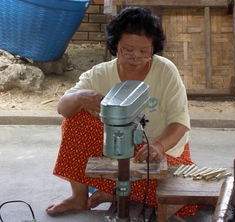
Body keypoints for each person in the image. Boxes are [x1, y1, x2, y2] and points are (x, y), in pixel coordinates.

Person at [46, 6, 201, 218]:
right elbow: (63, 107)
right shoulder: (101, 74)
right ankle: (80, 196)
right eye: (127, 50)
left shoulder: (165, 71)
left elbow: (179, 123)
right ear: (115, 44)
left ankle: (114, 193)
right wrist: (79, 97)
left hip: (162, 150)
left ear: (153, 48)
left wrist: (158, 145)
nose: (135, 57)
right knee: (75, 117)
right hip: (119, 150)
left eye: (144, 51)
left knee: (187, 204)